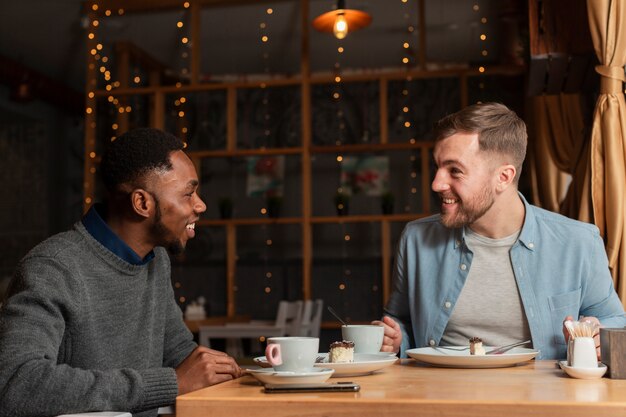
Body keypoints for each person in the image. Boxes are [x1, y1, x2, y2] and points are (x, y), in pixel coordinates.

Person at [0, 128, 242, 417]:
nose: (200, 205)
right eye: (188, 193)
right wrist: (172, 382)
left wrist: (239, 373)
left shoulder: (156, 260)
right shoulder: (53, 267)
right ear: (142, 203)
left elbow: (177, 349)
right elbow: (15, 385)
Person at [376, 102, 626, 360]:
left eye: (455, 171)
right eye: (438, 167)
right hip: (441, 395)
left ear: (504, 177)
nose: (437, 183)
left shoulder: (579, 242)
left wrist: (600, 335)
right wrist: (394, 340)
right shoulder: (415, 240)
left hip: (542, 398)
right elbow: (400, 323)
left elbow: (614, 320)